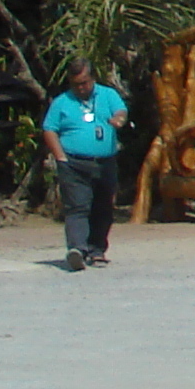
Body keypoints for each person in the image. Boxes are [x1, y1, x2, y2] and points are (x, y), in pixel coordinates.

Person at [40, 63, 130, 272]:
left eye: (84, 83)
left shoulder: (107, 95)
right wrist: (60, 157)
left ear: (92, 79)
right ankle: (77, 249)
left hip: (105, 161)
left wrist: (119, 119)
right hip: (74, 163)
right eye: (75, 84)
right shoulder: (62, 102)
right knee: (77, 206)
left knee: (103, 206)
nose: (80, 88)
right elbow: (49, 129)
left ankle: (97, 249)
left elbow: (121, 111)